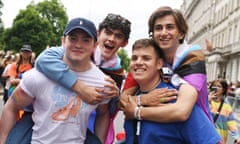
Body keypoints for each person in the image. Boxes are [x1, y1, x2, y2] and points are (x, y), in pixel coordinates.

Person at [0, 17, 115, 144]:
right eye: (73, 38)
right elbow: (11, 107)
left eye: (86, 40)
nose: (78, 45)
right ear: (63, 41)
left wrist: (100, 140)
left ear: (95, 45)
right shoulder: (38, 76)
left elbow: (103, 114)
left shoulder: (103, 83)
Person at [120, 6, 221, 143]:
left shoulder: (192, 57)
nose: (163, 32)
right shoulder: (145, 62)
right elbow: (123, 101)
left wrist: (137, 112)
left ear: (181, 33)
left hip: (196, 127)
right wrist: (143, 100)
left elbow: (182, 111)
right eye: (158, 28)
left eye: (170, 27)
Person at [35, 13, 131, 144]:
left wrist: (115, 97)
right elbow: (43, 60)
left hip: (90, 130)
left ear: (124, 43)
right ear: (98, 34)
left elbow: (107, 112)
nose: (111, 39)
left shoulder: (118, 72)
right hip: (54, 123)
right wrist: (80, 87)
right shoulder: (77, 51)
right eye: (108, 33)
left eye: (118, 36)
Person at [209, 79, 240, 144]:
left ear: (223, 90)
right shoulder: (205, 102)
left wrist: (237, 137)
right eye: (214, 86)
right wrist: (208, 100)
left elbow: (231, 123)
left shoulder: (227, 106)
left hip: (220, 139)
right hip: (206, 137)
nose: (216, 88)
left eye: (219, 86)